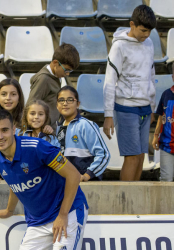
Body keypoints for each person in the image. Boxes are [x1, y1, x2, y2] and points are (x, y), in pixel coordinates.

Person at [0, 109, 88, 250]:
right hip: (38, 218)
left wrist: (62, 215)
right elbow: (15, 183)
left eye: (4, 130)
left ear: (14, 130)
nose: (0, 136)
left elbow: (74, 175)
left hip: (67, 210)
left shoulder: (36, 147)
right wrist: (9, 210)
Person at [103, 5, 157, 181]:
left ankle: (135, 201)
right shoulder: (119, 47)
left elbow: (151, 75)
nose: (146, 35)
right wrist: (108, 115)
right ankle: (124, 202)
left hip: (145, 108)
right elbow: (109, 82)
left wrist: (153, 106)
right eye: (143, 30)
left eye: (149, 31)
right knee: (132, 157)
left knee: (141, 156)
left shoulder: (148, 43)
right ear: (132, 24)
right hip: (126, 108)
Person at [56, 86, 110, 181]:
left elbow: (104, 154)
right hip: (64, 183)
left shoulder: (86, 125)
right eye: (61, 100)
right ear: (57, 105)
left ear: (78, 104)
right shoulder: (56, 128)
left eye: (70, 100)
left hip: (86, 183)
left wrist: (87, 175)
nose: (65, 103)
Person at [28, 44, 80, 130]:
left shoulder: (56, 77)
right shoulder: (43, 79)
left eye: (70, 71)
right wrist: (42, 126)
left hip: (51, 128)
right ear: (55, 63)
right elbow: (30, 106)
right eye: (66, 70)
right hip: (42, 132)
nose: (67, 74)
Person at [152, 65, 174, 181]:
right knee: (166, 179)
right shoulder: (166, 94)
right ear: (173, 77)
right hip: (167, 145)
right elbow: (161, 117)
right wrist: (156, 136)